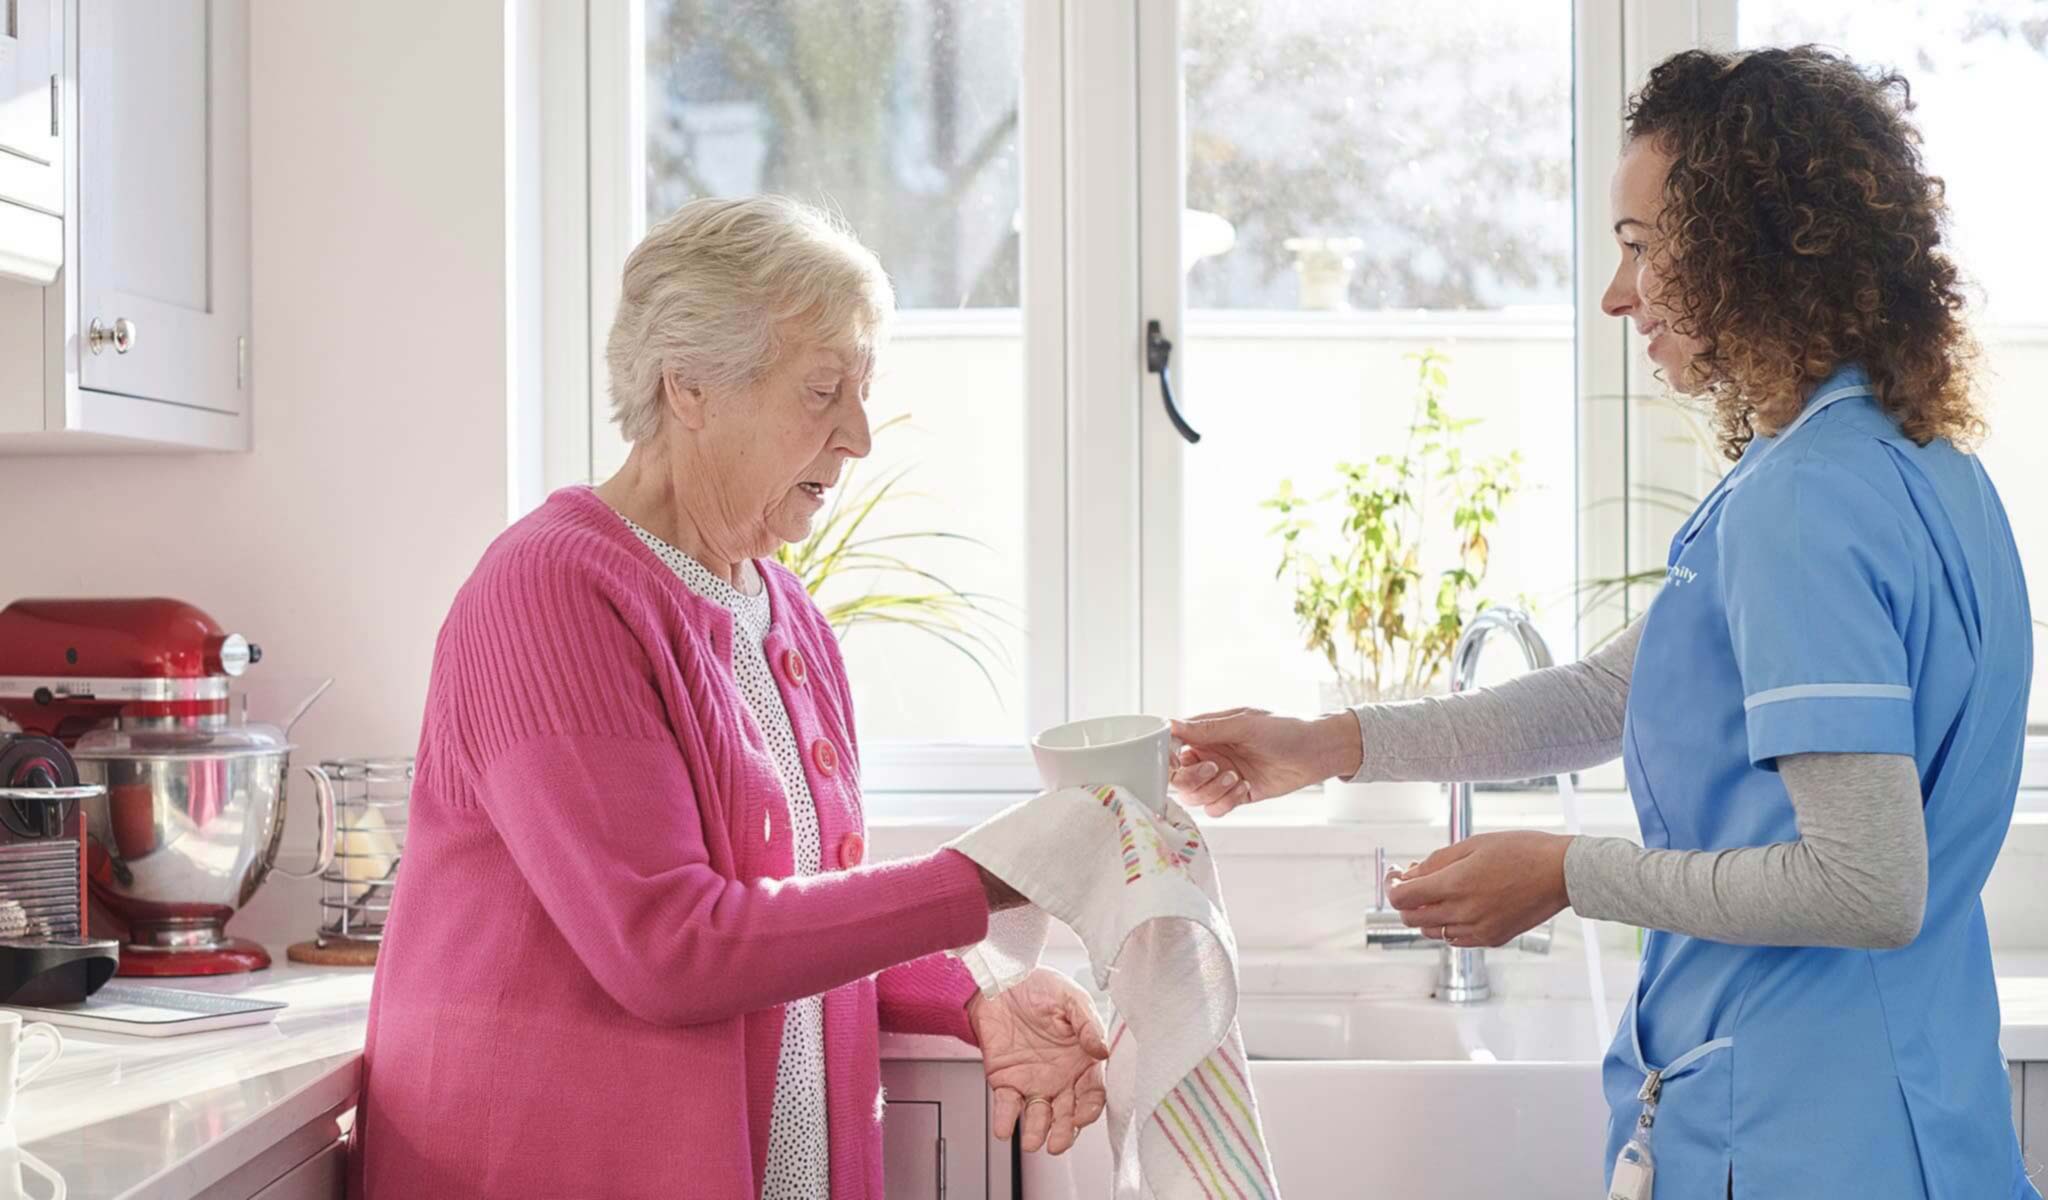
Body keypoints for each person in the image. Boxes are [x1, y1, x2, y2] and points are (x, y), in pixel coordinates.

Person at [1171, 47, 2034, 1199]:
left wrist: (1570, 871)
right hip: (1913, 1108)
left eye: (1638, 246)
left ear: (1750, 247)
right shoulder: (1915, 466)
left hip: (1797, 1133)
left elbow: (1865, 886)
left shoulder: (1803, 503)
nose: (1615, 293)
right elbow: (1605, 695)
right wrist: (1329, 745)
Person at [352, 196, 1103, 1199]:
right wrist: (999, 872)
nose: (860, 436)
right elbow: (670, 949)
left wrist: (973, 990)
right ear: (691, 387)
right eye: (824, 391)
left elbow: (786, 929)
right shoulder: (550, 591)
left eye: (863, 391)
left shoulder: (783, 614)